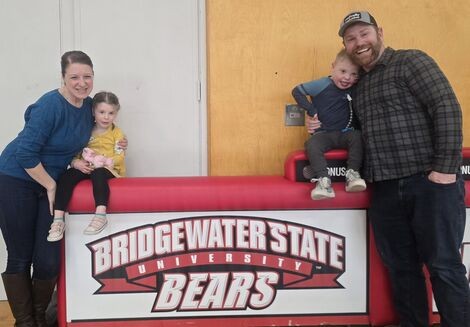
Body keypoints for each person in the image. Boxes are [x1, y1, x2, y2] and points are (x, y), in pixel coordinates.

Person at [333, 10, 470, 327]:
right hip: (384, 189)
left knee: (444, 266)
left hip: (430, 182)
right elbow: (349, 127)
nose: (359, 42)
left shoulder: (411, 61)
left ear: (379, 32)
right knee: (401, 268)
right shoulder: (358, 84)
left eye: (364, 34)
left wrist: (445, 170)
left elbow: (446, 107)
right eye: (350, 38)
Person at [0, 51, 126, 326]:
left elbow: (106, 124)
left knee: (47, 259)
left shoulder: (90, 107)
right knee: (20, 255)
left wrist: (118, 142)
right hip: (16, 178)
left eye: (87, 77)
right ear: (63, 77)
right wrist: (50, 185)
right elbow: (25, 155)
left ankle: (38, 317)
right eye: (74, 77)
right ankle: (25, 322)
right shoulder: (50, 104)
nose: (82, 83)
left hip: (51, 182)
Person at [47, 91, 126, 242]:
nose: (106, 117)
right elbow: (76, 150)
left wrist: (106, 161)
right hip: (88, 166)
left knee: (99, 173)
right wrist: (76, 163)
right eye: (102, 112)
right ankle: (58, 219)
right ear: (93, 111)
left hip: (107, 169)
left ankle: (100, 215)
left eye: (111, 113)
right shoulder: (86, 130)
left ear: (116, 114)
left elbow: (120, 156)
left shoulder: (117, 134)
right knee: (67, 175)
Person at [292, 49, 366, 200]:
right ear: (333, 67)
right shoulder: (323, 84)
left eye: (354, 74)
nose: (347, 78)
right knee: (312, 144)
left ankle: (352, 174)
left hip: (346, 133)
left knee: (358, 137)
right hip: (324, 134)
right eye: (343, 71)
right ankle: (323, 181)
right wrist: (311, 109)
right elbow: (297, 91)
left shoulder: (356, 88)